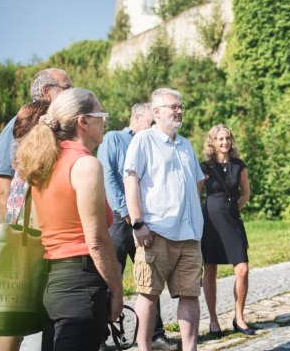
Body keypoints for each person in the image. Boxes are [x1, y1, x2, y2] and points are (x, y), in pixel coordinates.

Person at [14, 88, 123, 351]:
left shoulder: (45, 162)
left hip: (55, 283)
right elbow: (96, 240)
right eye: (101, 114)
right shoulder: (85, 165)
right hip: (81, 285)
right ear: (83, 122)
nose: (105, 121)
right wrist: (117, 290)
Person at [0, 68, 72, 351]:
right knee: (14, 324)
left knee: (42, 315)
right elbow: (2, 189)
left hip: (41, 238)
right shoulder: (17, 127)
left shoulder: (56, 129)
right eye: (67, 86)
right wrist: (12, 239)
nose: (72, 91)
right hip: (18, 240)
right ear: (47, 92)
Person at [123, 88, 205, 351]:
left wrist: (188, 208)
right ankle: (143, 348)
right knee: (148, 294)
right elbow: (131, 179)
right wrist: (138, 222)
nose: (179, 110)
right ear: (156, 112)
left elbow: (198, 181)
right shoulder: (143, 140)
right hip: (155, 232)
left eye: (181, 106)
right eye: (173, 107)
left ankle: (190, 348)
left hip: (190, 234)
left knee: (190, 294)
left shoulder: (186, 144)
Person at [97, 103, 176, 351]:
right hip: (120, 222)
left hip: (144, 221)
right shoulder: (114, 139)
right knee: (110, 278)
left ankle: (155, 335)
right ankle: (98, 339)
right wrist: (126, 211)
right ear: (138, 118)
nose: (154, 126)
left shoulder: (152, 143)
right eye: (151, 122)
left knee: (149, 278)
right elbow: (108, 177)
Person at [200, 124, 253, 336]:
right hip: (210, 223)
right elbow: (196, 196)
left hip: (232, 221)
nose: (225, 142)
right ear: (212, 142)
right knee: (210, 270)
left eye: (228, 138)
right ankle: (213, 320)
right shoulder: (204, 167)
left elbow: (245, 195)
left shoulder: (239, 166)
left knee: (243, 269)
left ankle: (239, 317)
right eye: (220, 139)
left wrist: (232, 210)